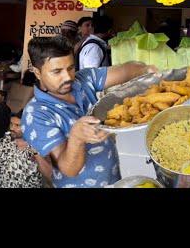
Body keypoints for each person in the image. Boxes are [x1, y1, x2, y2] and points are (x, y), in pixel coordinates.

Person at [22, 35, 156, 188]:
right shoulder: (35, 114)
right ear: (37, 73)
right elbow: (69, 170)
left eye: (71, 68)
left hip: (112, 179)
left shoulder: (83, 80)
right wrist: (76, 137)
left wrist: (144, 68)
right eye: (57, 71)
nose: (67, 77)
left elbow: (126, 70)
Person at [0, 110, 52, 188]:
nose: (12, 128)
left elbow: (49, 175)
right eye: (11, 124)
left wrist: (35, 151)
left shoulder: (40, 145)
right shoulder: (5, 141)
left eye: (17, 125)